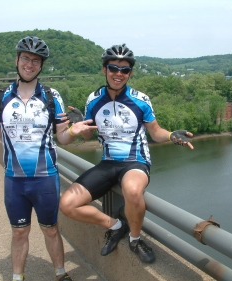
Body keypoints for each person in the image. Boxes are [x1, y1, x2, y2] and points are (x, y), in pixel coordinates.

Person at [0, 36, 95, 281]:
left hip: (45, 178)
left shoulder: (51, 96)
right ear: (17, 60)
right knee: (19, 233)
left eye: (36, 60)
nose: (30, 64)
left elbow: (62, 138)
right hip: (14, 180)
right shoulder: (0, 97)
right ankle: (17, 276)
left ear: (41, 66)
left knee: (51, 230)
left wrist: (74, 133)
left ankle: (60, 273)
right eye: (25, 58)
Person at [59, 43, 194, 263]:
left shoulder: (140, 99)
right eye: (113, 68)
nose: (118, 74)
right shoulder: (93, 99)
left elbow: (155, 131)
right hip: (107, 162)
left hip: (135, 161)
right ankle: (116, 225)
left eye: (124, 70)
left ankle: (134, 238)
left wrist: (171, 136)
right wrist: (78, 127)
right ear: (104, 70)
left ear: (130, 73)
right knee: (67, 204)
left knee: (132, 191)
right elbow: (87, 136)